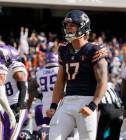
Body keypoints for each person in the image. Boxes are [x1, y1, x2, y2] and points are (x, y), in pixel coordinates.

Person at [46, 10, 108, 140]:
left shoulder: (94, 50)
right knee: (53, 136)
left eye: (72, 25)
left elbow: (103, 82)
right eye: (67, 25)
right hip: (67, 101)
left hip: (86, 100)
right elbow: (60, 80)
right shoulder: (64, 49)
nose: (68, 28)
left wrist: (93, 104)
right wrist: (53, 105)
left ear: (83, 27)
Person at [3, 45, 28, 140]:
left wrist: (19, 107)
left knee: (10, 138)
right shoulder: (4, 69)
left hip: (16, 106)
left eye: (3, 56)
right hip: (7, 107)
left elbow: (23, 87)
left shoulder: (15, 65)